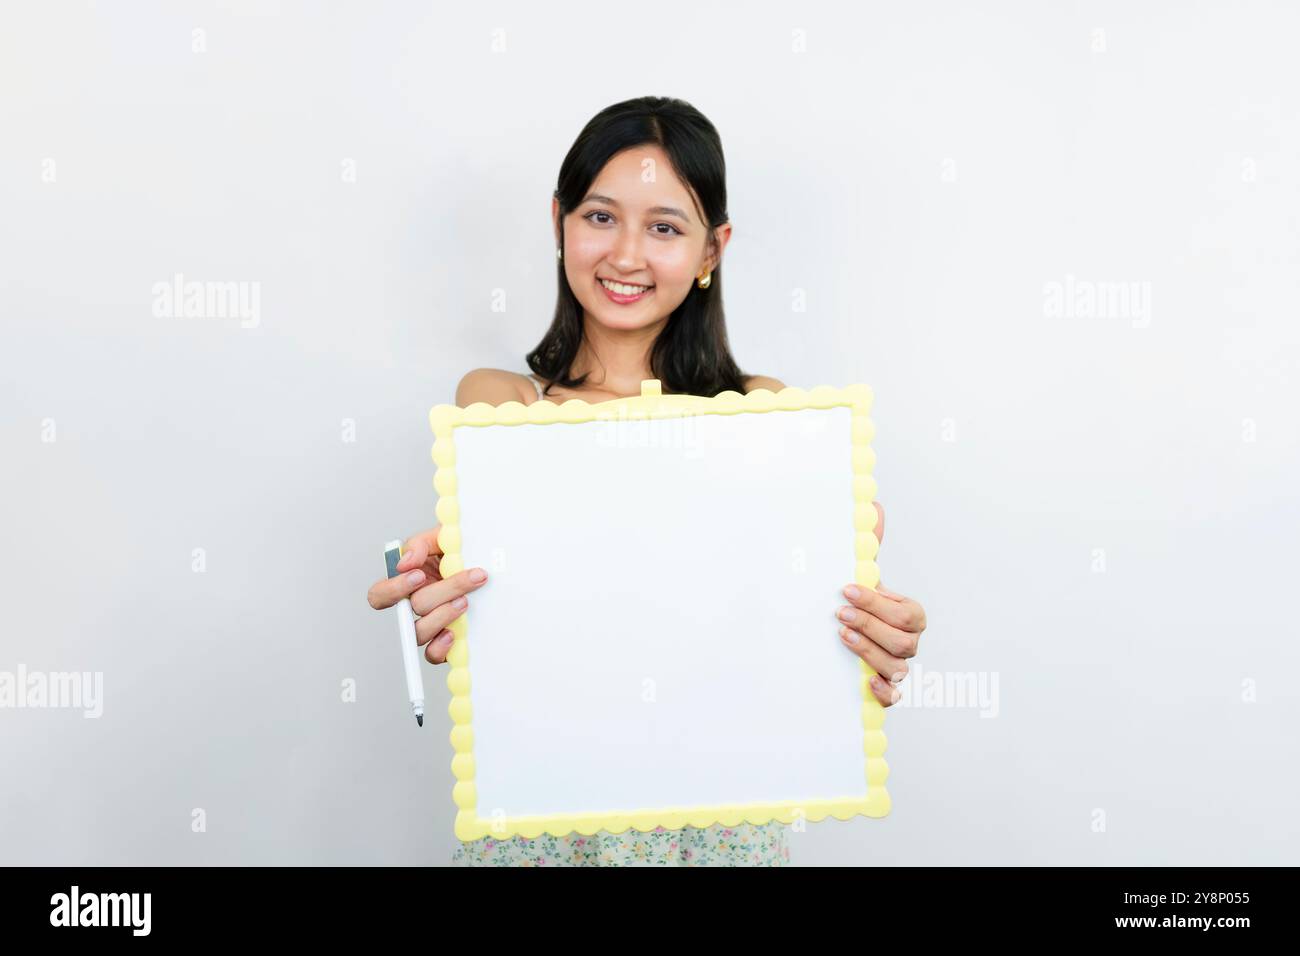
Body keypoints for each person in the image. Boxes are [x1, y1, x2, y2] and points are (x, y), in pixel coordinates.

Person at [365, 95, 928, 866]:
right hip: (543, 834)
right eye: (600, 217)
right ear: (557, 222)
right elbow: (528, 624)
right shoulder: (497, 405)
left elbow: (788, 635)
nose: (626, 255)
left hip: (718, 837)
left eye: (665, 227)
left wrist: (865, 639)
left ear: (710, 250)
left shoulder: (766, 417)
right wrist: (447, 600)